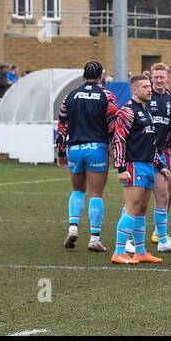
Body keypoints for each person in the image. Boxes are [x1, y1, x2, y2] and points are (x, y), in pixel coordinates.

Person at [56, 61, 118, 252]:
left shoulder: (71, 95)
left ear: (84, 75)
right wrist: (114, 148)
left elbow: (62, 124)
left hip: (74, 148)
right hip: (96, 147)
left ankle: (73, 227)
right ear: (100, 76)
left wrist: (60, 151)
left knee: (77, 190)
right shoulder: (107, 96)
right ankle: (94, 237)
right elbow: (112, 123)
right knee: (96, 193)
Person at [109, 73, 170, 265]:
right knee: (132, 207)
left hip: (148, 165)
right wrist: (120, 168)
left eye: (149, 86)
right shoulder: (127, 111)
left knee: (142, 209)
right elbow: (118, 139)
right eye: (145, 86)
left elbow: (150, 143)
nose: (149, 89)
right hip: (133, 165)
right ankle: (119, 251)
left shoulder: (147, 111)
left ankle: (140, 252)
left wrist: (160, 165)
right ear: (134, 90)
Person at [144, 63, 171, 253]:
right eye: (156, 77)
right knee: (139, 196)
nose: (159, 80)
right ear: (151, 78)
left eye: (162, 77)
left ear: (167, 79)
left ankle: (160, 236)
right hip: (143, 153)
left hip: (164, 152)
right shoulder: (143, 97)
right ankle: (126, 237)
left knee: (167, 192)